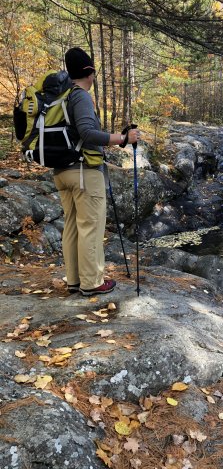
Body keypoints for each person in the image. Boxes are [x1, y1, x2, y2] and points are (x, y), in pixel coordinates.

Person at [54, 47, 139, 296]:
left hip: (62, 171)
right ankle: (92, 283)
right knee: (90, 226)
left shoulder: (60, 97)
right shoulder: (79, 96)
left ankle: (74, 280)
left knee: (71, 226)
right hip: (83, 172)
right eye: (93, 73)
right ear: (89, 73)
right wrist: (123, 138)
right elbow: (87, 133)